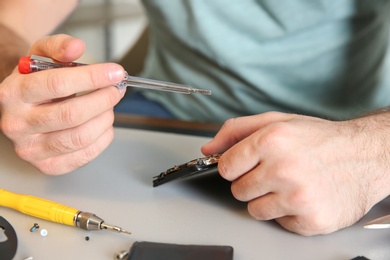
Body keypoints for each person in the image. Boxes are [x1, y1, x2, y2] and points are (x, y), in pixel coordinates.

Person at [1, 1, 390, 236]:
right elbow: (11, 23)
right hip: (164, 115)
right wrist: (20, 85)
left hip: (353, 129)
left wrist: (369, 152)